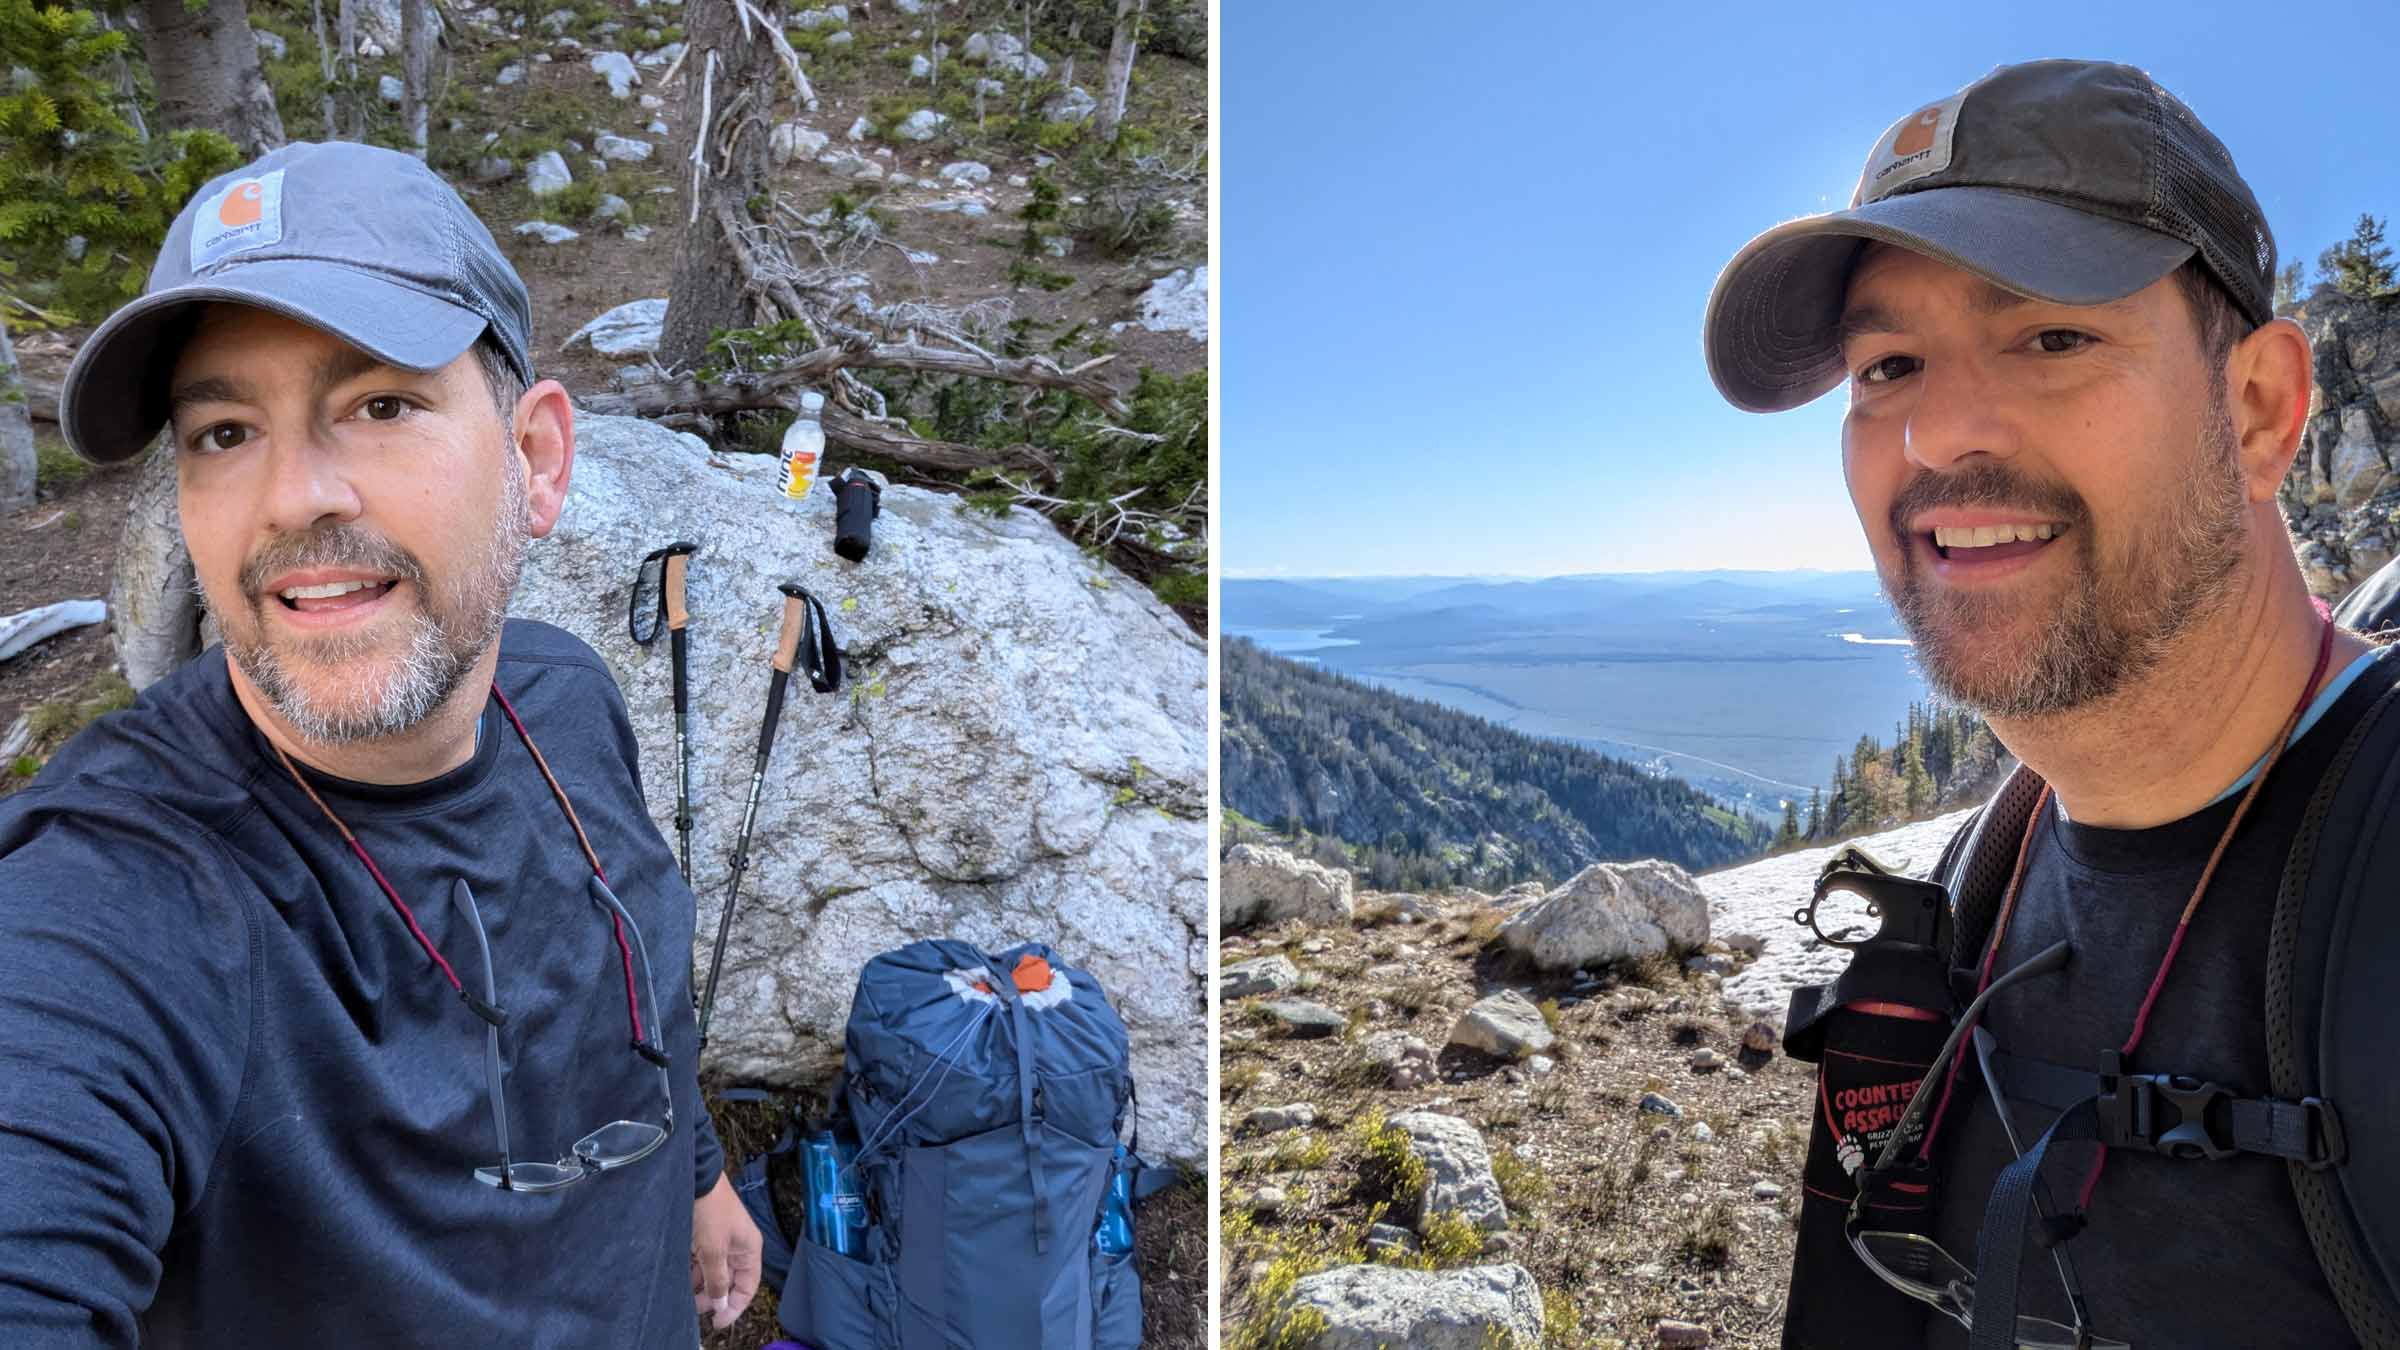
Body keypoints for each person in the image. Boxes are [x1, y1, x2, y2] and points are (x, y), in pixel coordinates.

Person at [0, 140, 761, 1346]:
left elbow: (629, 978)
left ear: (536, 460)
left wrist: (700, 1177)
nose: (295, 494)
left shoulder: (564, 696)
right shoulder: (116, 894)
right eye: (224, 433)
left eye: (381, 404)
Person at [1705, 60, 2388, 1347]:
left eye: (2053, 335)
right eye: (1889, 364)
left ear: (2259, 408)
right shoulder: (1973, 893)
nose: (1938, 433)